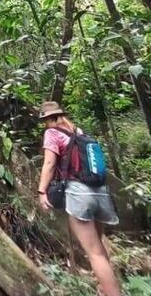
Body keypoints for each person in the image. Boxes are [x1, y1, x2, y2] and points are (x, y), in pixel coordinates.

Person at [37, 101, 121, 296]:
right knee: (99, 248)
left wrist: (41, 191)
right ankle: (105, 288)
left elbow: (49, 163)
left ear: (48, 118)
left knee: (94, 253)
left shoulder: (52, 133)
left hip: (80, 195)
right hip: (101, 192)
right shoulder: (79, 132)